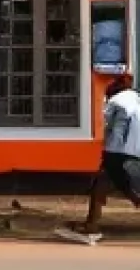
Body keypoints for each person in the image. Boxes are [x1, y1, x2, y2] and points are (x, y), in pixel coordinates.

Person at [56, 75, 140, 245]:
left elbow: (114, 130)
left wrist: (107, 153)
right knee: (103, 184)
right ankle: (91, 225)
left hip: (120, 153)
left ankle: (91, 227)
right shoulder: (136, 99)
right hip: (134, 153)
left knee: (127, 190)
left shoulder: (116, 102)